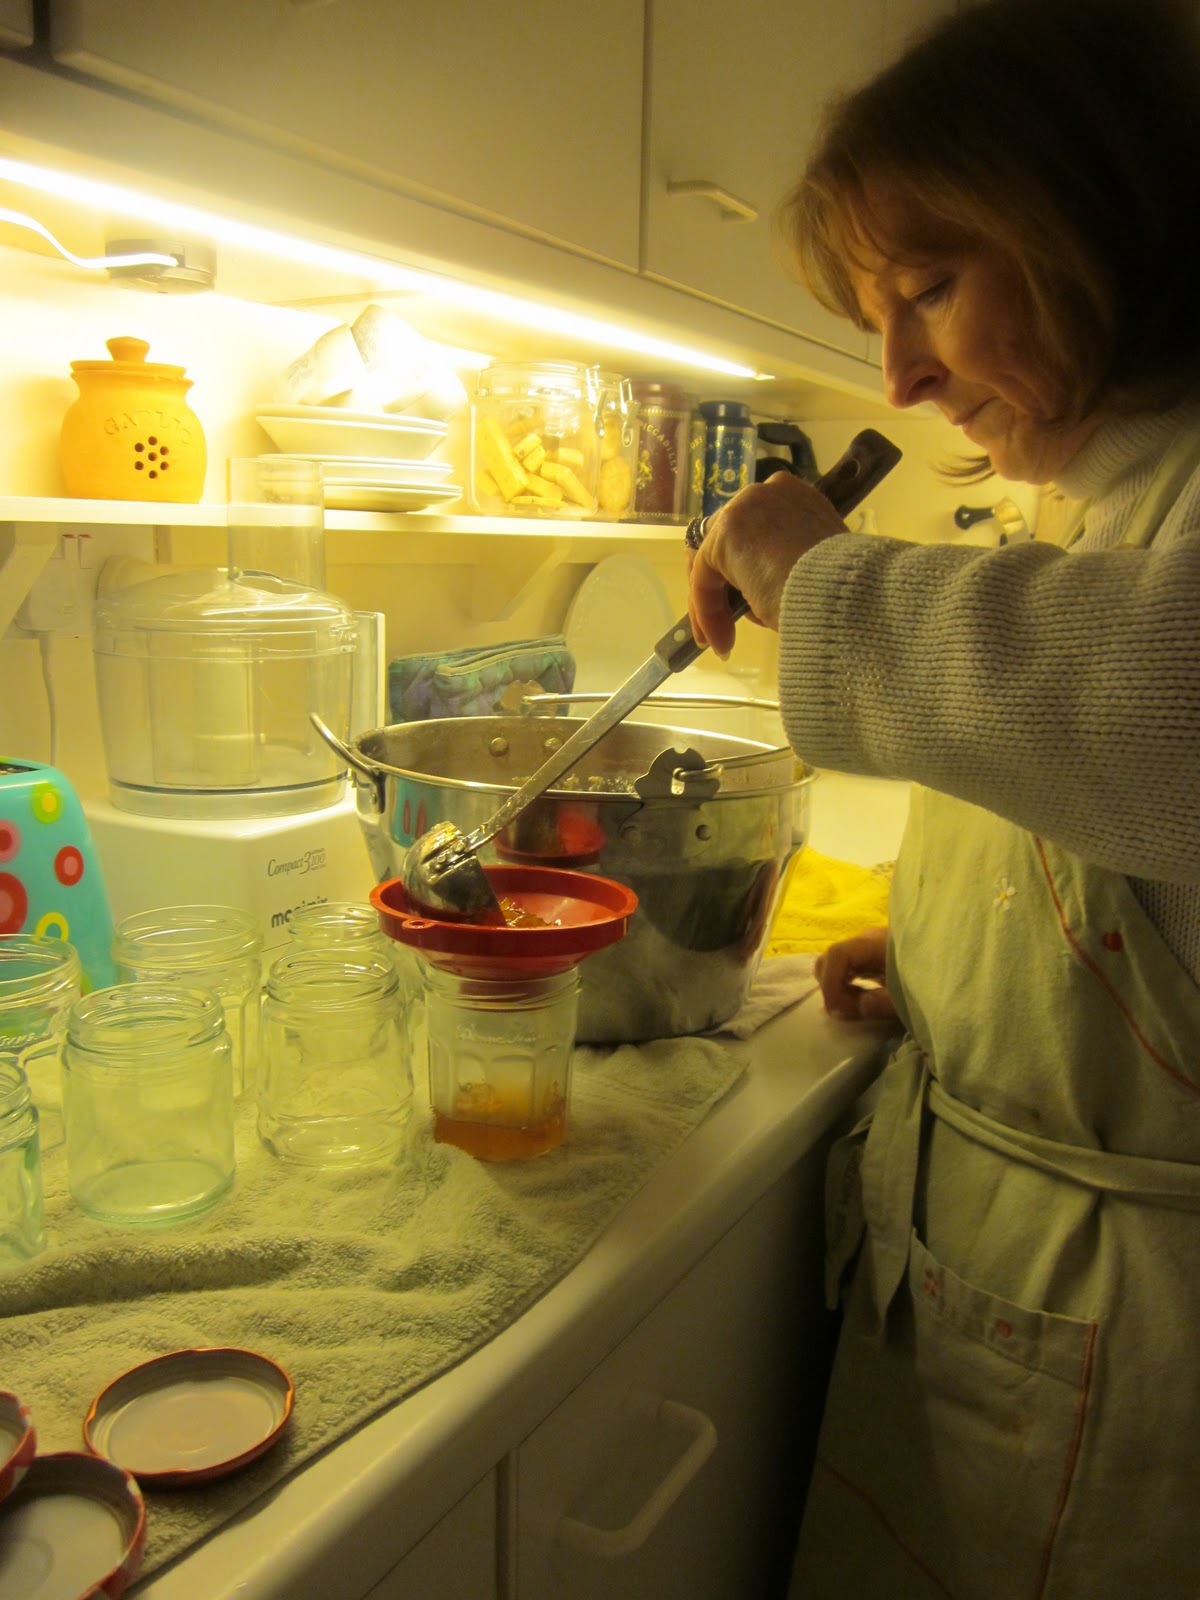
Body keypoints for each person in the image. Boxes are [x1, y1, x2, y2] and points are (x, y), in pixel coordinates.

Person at [685, 0, 1200, 1594]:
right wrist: (966, 976)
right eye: (875, 311)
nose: (901, 374)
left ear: (1092, 217)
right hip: (1009, 1276)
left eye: (930, 285)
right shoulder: (1092, 501)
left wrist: (822, 580)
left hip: (1140, 1333)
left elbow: (1161, 703)